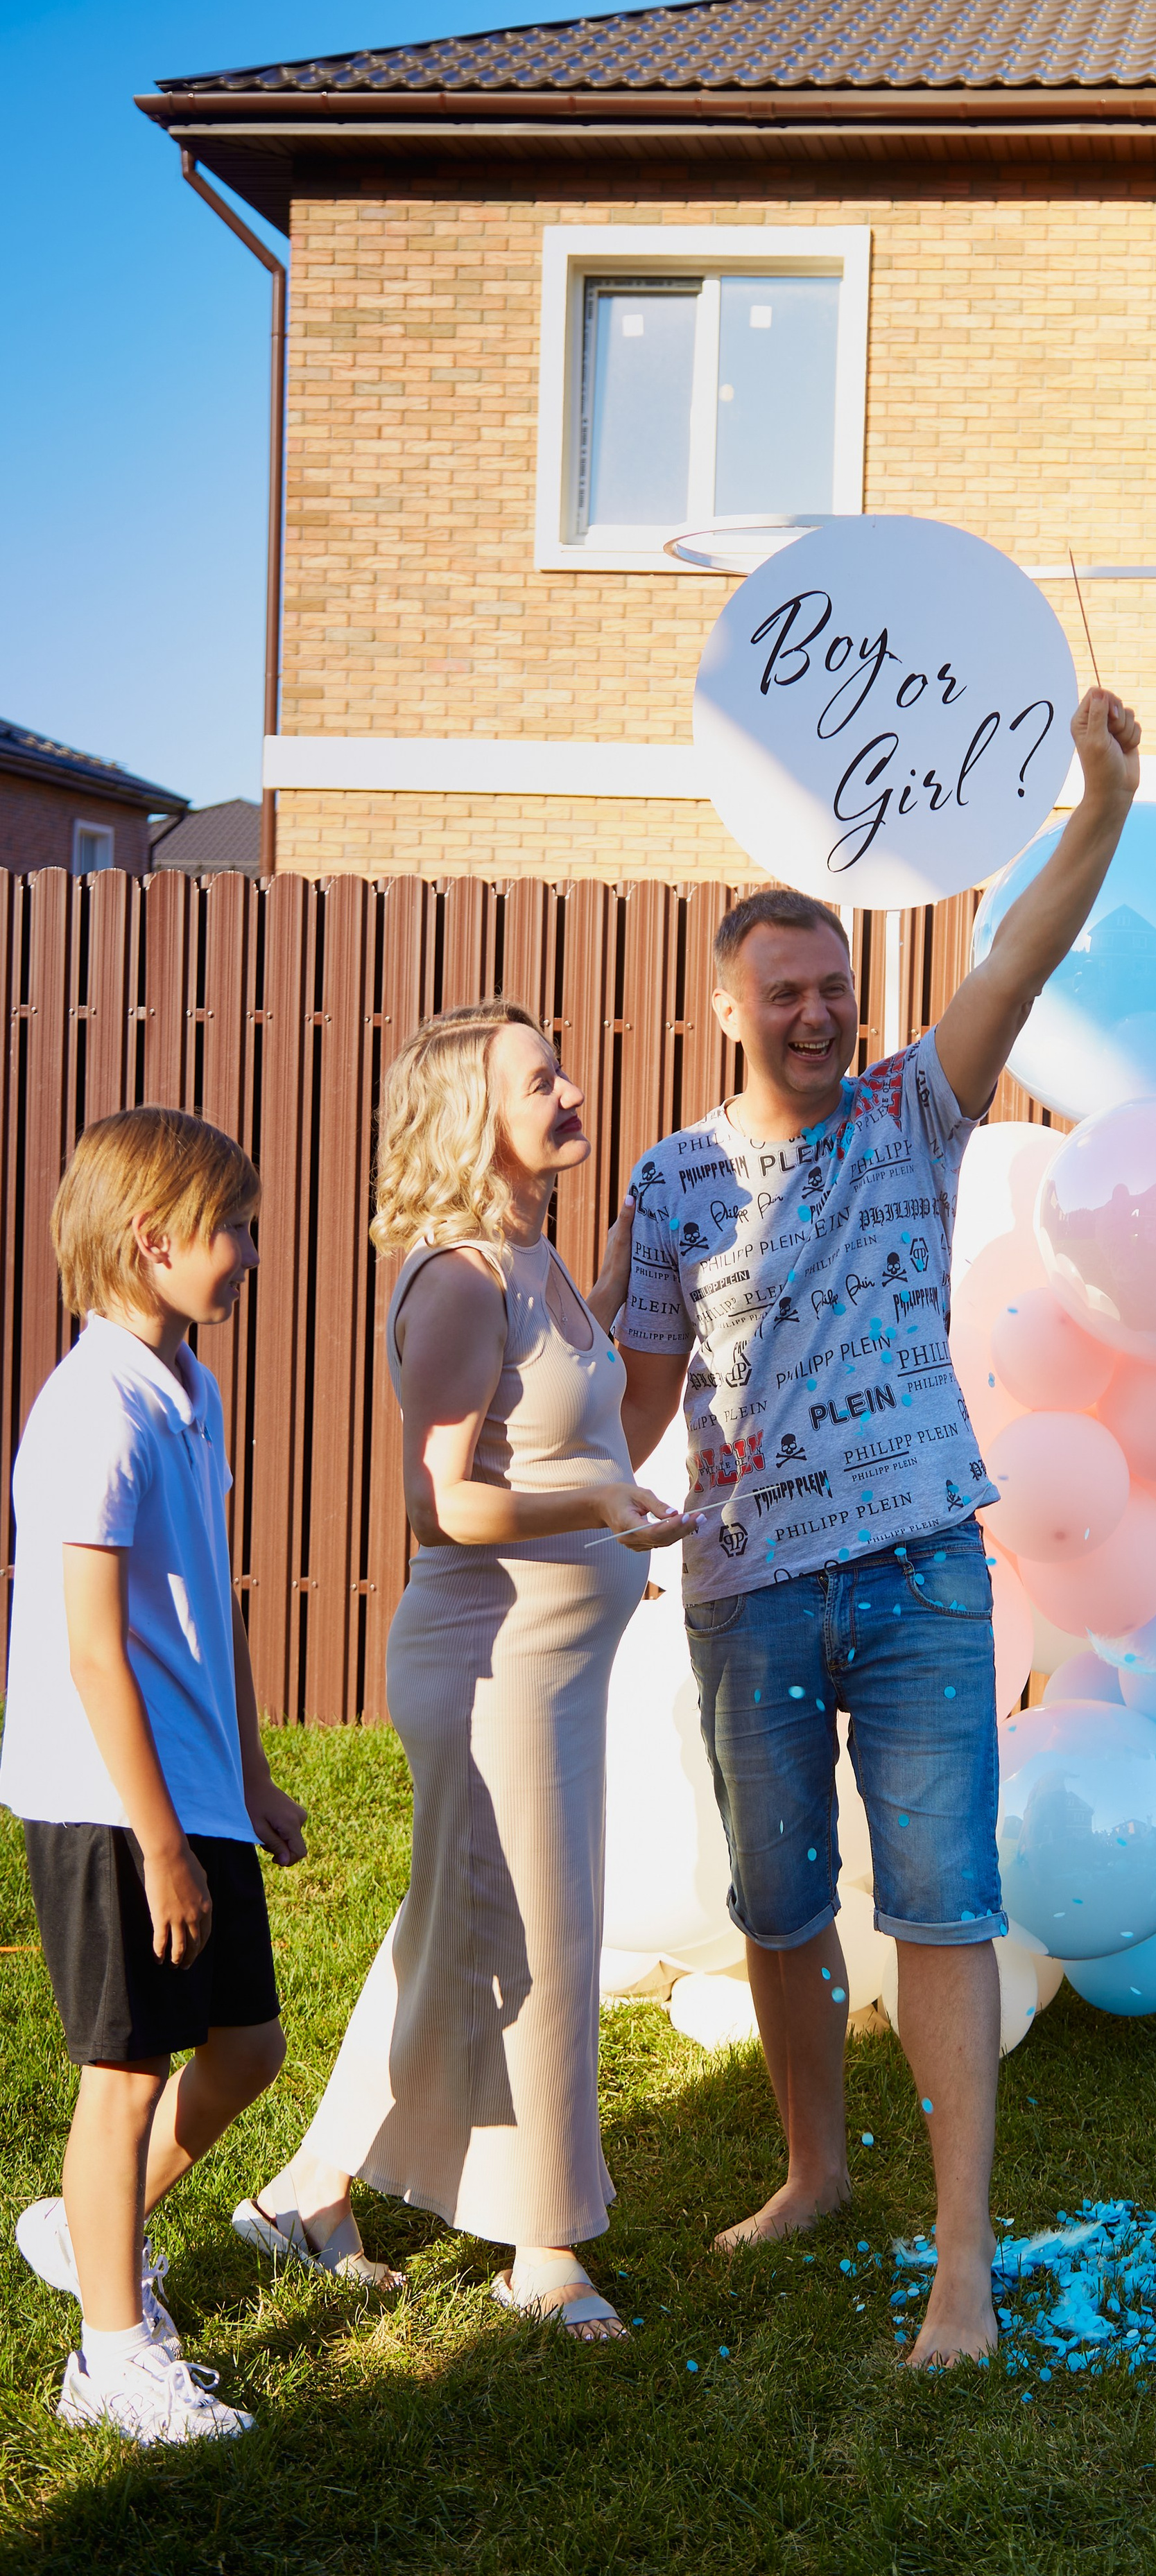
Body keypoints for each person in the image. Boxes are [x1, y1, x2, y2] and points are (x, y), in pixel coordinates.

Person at [619, 684, 1141, 2364]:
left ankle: (962, 2259)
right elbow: (634, 1399)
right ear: (726, 1011)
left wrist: (1102, 806)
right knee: (779, 1903)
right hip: (745, 1594)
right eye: (786, 993)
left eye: (836, 988)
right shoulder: (667, 1183)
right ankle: (813, 2170)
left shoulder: (913, 1113)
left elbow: (1020, 962)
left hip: (920, 1570)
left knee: (940, 1904)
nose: (820, 1014)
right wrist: (561, 1481)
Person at [237, 1002, 698, 2342]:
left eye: (560, 1069)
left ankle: (308, 2194)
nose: (571, 1090)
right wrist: (607, 1508)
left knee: (455, 1926)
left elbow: (570, 1377)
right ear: (470, 1116)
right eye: (539, 1079)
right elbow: (442, 1507)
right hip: (485, 1662)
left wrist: (638, 1250)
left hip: (548, 1661)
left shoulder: (536, 1258)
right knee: (543, 1940)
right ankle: (544, 2246)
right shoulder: (456, 1278)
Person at [4, 1108, 307, 2444]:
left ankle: (90, 2232)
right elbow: (89, 1651)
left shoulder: (192, 1387)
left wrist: (247, 1776)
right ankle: (111, 2358)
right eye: (230, 1229)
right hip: (105, 1798)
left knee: (247, 2046)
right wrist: (163, 1844)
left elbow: (207, 1609)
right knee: (123, 2073)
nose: (248, 1252)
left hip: (187, 1785)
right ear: (152, 1240)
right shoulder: (93, 1409)